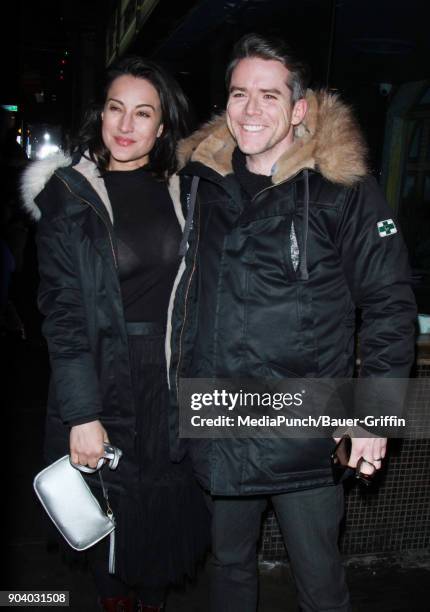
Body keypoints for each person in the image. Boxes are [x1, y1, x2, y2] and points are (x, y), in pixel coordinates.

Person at [167, 34, 417, 611]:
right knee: (227, 569)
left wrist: (374, 416)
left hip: (307, 427)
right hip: (220, 420)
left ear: (299, 109)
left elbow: (389, 304)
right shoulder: (199, 184)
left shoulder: (343, 191)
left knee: (320, 583)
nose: (251, 110)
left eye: (269, 95)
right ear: (225, 104)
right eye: (239, 94)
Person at [21, 56, 209, 612]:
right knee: (106, 523)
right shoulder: (68, 195)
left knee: (158, 524)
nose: (125, 126)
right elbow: (62, 314)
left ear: (163, 125)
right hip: (101, 375)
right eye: (115, 109)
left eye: (142, 113)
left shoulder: (188, 191)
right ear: (99, 114)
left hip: (169, 380)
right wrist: (81, 413)